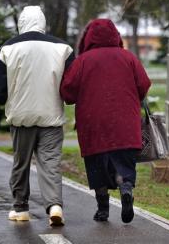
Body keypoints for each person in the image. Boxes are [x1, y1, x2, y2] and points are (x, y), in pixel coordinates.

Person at [0, 6, 74, 226]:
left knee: (21, 162)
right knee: (50, 163)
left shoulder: (9, 47)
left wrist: (6, 99)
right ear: (43, 23)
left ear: (21, 23)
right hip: (51, 115)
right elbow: (71, 84)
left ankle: (21, 208)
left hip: (21, 115)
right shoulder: (62, 48)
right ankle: (54, 205)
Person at [60, 19, 151, 224]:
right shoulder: (128, 57)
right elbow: (143, 85)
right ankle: (125, 188)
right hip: (125, 123)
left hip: (94, 124)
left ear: (88, 38)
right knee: (123, 163)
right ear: (115, 35)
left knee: (96, 165)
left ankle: (102, 209)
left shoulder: (82, 61)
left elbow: (68, 92)